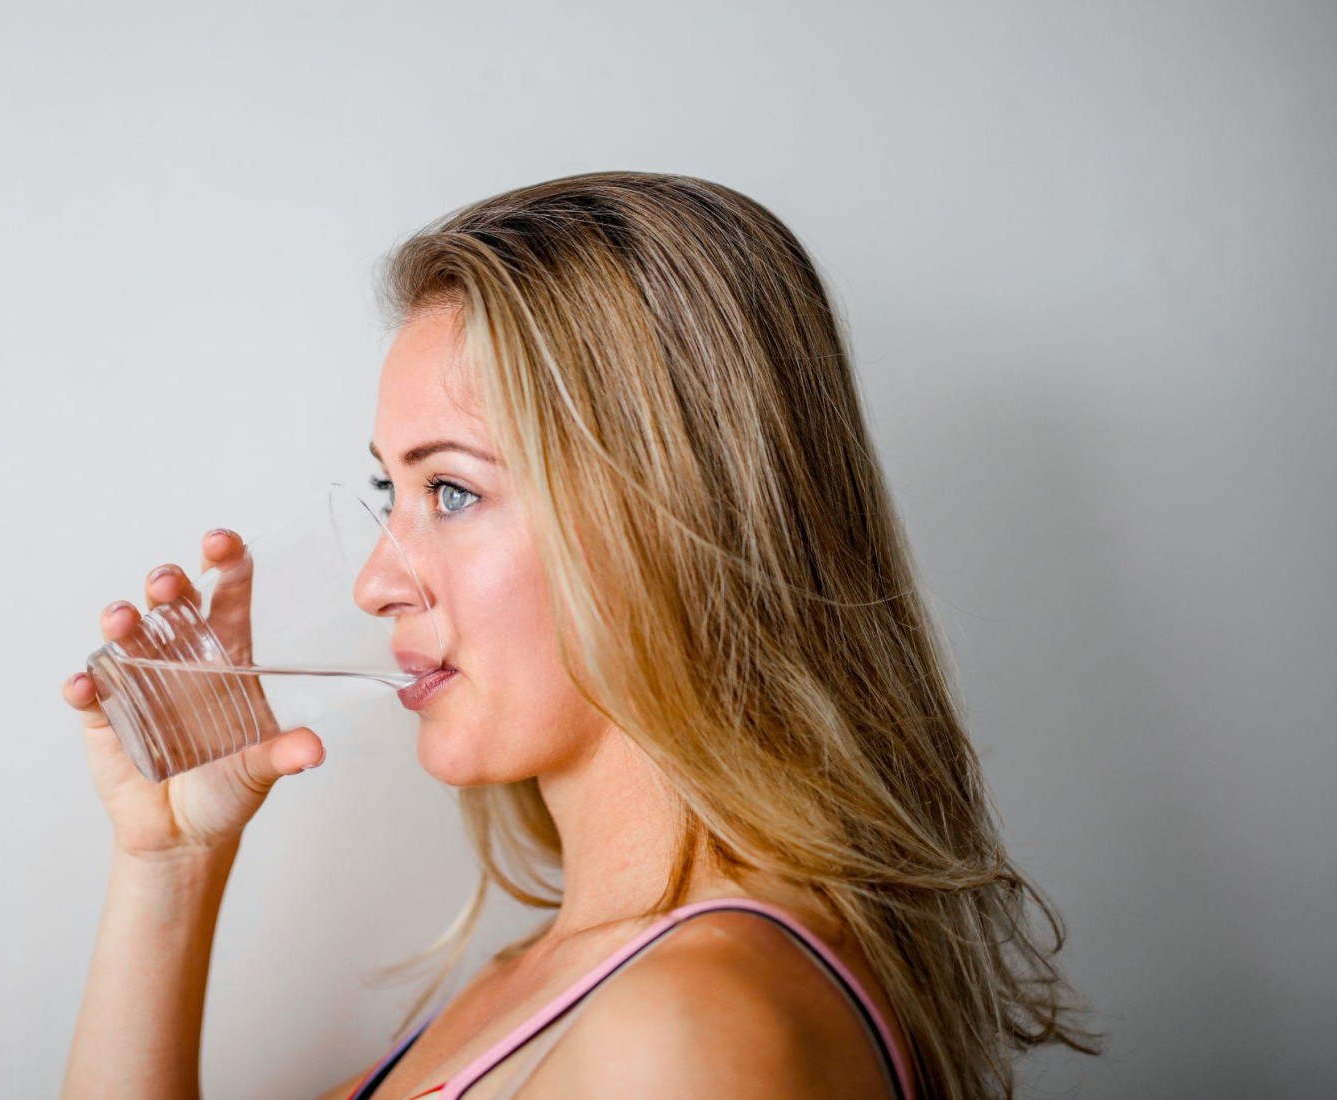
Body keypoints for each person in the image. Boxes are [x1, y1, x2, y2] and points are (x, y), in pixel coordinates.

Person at [58, 171, 1101, 1099]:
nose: (377, 579)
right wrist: (173, 862)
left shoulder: (689, 1034)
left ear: (666, 519)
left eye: (453, 489)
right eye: (392, 489)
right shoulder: (556, 976)